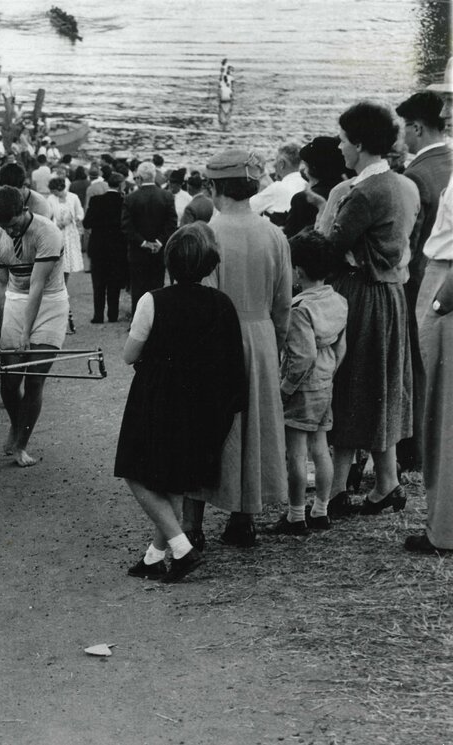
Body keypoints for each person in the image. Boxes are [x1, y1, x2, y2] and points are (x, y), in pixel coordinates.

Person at [117, 222, 245, 582]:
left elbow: (129, 355)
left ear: (169, 261)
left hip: (159, 399)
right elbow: (234, 361)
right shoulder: (222, 303)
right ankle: (155, 556)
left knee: (135, 471)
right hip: (206, 405)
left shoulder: (152, 301)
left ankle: (181, 546)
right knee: (174, 480)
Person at [182, 149, 292, 549]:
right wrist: (275, 344)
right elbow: (283, 303)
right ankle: (242, 519)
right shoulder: (274, 235)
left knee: (202, 424)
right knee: (253, 424)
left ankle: (192, 523)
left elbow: (195, 299)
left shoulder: (203, 234)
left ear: (214, 188)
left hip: (215, 337)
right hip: (260, 334)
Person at [323, 101, 419, 517]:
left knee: (349, 383)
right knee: (381, 386)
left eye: (344, 140)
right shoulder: (402, 185)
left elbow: (330, 247)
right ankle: (386, 483)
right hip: (390, 294)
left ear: (359, 143)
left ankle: (337, 489)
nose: (341, 148)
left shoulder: (361, 192)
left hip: (361, 293)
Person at [394, 90, 453, 476]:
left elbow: (409, 240)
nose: (402, 137)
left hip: (423, 278)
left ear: (417, 128)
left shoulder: (415, 174)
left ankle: (415, 446)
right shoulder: (450, 160)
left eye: (405, 129)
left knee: (416, 365)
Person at [275, 229, 348, 534]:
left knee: (296, 453)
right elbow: (342, 346)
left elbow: (302, 356)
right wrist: (329, 374)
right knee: (321, 447)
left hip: (302, 387)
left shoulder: (300, 309)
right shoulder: (339, 301)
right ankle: (321, 509)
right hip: (325, 382)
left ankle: (295, 515)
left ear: (299, 271)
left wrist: (284, 391)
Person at [0, 186, 68, 468]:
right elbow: (1, 280)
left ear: (24, 211)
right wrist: (0, 317)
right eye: (3, 226)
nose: (9, 232)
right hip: (15, 300)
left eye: (12, 225)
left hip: (48, 302)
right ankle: (16, 423)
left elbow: (37, 286)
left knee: (34, 378)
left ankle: (22, 445)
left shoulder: (47, 233)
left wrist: (25, 333)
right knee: (10, 380)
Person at [122, 162, 177, 312]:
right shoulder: (167, 196)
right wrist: (159, 241)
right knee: (157, 285)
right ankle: (156, 319)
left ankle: (138, 320)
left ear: (139, 177)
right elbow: (172, 223)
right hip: (159, 250)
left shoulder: (130, 198)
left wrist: (144, 242)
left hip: (137, 250)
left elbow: (127, 227)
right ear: (154, 175)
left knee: (138, 287)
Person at [83, 173, 126, 324]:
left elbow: (86, 223)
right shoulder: (124, 202)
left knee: (99, 283)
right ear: (121, 185)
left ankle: (98, 315)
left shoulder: (96, 201)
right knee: (114, 282)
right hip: (117, 247)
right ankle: (113, 315)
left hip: (98, 246)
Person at [283, 136, 346, 238]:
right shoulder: (347, 191)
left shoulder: (303, 199)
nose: (303, 170)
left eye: (305, 165)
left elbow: (290, 238)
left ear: (311, 169)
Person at [48, 176, 84, 332]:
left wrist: (73, 218)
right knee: (58, 264)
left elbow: (80, 213)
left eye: (56, 191)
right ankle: (60, 290)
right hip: (57, 232)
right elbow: (48, 216)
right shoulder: (50, 199)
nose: (56, 194)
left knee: (67, 266)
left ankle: (64, 288)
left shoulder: (73, 197)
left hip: (70, 233)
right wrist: (58, 223)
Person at [250, 143, 306, 225]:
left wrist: (257, 173)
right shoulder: (306, 184)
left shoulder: (277, 188)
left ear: (282, 164)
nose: (273, 165)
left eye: (275, 161)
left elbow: (243, 210)